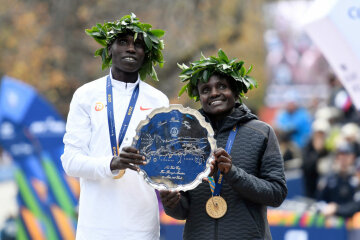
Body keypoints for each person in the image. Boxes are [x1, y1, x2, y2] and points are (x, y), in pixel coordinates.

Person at [61, 14, 169, 240]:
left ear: (146, 54)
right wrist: (112, 163)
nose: (131, 49)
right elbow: (70, 162)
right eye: (123, 42)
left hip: (142, 227)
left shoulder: (158, 101)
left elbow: (164, 163)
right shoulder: (86, 95)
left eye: (138, 44)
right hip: (95, 227)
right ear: (109, 49)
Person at [160, 50, 287, 240]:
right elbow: (184, 210)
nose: (214, 93)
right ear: (199, 97)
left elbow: (276, 194)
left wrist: (233, 174)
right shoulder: (186, 137)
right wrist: (172, 204)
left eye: (222, 86)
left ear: (235, 90)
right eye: (205, 90)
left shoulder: (262, 132)